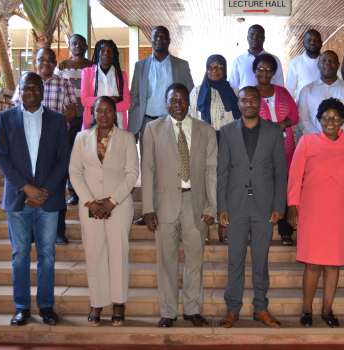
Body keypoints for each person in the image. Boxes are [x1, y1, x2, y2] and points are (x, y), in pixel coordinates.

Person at [0, 72, 71, 326]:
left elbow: (63, 159)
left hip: (48, 200)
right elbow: (0, 156)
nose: (31, 91)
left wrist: (42, 191)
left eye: (36, 87)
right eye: (26, 87)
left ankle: (46, 306)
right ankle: (22, 307)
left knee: (47, 253)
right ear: (20, 89)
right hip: (17, 199)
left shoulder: (58, 120)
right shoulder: (5, 118)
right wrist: (27, 188)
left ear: (42, 90)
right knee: (20, 255)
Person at [287, 98, 344, 328]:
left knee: (333, 263)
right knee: (313, 264)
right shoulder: (306, 142)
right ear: (319, 120)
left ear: (343, 120)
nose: (330, 122)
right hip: (312, 209)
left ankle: (327, 310)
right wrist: (292, 205)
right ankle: (307, 310)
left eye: (335, 118)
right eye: (325, 118)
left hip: (339, 211)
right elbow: (295, 176)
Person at [141, 83, 217, 328]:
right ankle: (168, 311)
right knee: (167, 261)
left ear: (189, 102)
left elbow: (211, 171)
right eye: (173, 101)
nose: (178, 105)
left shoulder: (205, 130)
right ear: (166, 103)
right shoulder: (152, 129)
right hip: (164, 203)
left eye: (182, 100)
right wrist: (148, 208)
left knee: (195, 259)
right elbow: (148, 169)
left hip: (195, 202)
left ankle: (193, 309)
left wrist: (211, 206)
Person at [217, 86, 287, 328]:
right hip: (235, 205)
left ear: (260, 103)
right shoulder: (226, 132)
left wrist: (279, 205)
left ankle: (261, 308)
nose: (249, 103)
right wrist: (221, 206)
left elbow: (280, 171)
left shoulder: (274, 132)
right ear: (238, 104)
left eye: (253, 100)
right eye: (244, 100)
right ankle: (232, 309)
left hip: (264, 206)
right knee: (235, 260)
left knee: (261, 259)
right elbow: (222, 172)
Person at [69, 96, 139, 327]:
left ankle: (118, 302)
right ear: (93, 113)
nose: (103, 114)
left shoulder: (128, 138)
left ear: (115, 114)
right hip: (90, 206)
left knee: (118, 252)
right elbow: (75, 172)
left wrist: (112, 201)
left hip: (118, 205)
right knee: (94, 252)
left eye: (108, 110)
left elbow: (132, 173)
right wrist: (90, 202)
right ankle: (97, 302)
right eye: (99, 110)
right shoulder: (81, 138)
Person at [129, 26, 194, 226]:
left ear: (169, 40)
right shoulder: (141, 65)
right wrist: (134, 128)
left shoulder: (181, 65)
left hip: (173, 122)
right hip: (147, 122)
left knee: (171, 167)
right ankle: (147, 210)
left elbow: (190, 93)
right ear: (151, 40)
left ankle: (172, 211)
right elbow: (135, 96)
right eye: (156, 37)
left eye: (163, 37)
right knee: (147, 167)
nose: (159, 40)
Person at [12, 47, 77, 245]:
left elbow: (72, 110)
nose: (46, 63)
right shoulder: (25, 82)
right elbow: (16, 108)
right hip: (29, 142)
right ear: (35, 61)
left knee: (56, 184)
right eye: (42, 59)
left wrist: (52, 128)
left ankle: (58, 232)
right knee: (30, 185)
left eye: (50, 60)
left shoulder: (63, 83)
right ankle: (31, 232)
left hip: (54, 143)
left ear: (55, 63)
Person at [189, 54, 239, 244]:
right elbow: (191, 119)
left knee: (224, 185)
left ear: (225, 70)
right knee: (204, 184)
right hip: (203, 144)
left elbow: (238, 121)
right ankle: (206, 226)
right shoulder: (196, 92)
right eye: (211, 67)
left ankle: (224, 226)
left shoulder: (234, 92)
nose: (214, 70)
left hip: (228, 143)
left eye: (219, 67)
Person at [253, 54, 299, 246]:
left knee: (285, 184)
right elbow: (244, 117)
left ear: (274, 72)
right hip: (260, 148)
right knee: (263, 186)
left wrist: (283, 124)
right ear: (255, 71)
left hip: (286, 147)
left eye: (268, 70)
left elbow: (295, 115)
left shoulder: (283, 92)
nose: (265, 73)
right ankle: (262, 229)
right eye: (261, 69)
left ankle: (286, 231)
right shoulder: (250, 93)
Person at [55, 34, 92, 206]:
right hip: (69, 118)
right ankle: (73, 193)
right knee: (70, 155)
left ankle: (88, 190)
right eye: (74, 43)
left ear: (86, 46)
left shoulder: (92, 65)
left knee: (86, 156)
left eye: (81, 43)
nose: (77, 46)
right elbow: (55, 88)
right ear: (69, 47)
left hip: (88, 118)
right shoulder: (62, 65)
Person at [297, 50, 344, 140]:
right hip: (316, 146)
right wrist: (321, 140)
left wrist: (343, 140)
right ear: (318, 65)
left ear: (338, 65)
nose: (328, 63)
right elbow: (303, 120)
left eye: (332, 60)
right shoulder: (306, 91)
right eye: (324, 61)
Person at [81, 39, 131, 131]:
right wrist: (111, 100)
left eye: (110, 51)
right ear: (97, 52)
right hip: (93, 123)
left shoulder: (121, 75)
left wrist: (101, 108)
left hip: (117, 124)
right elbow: (85, 101)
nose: (106, 53)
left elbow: (127, 104)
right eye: (102, 50)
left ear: (115, 54)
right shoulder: (87, 72)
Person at [228, 25, 284, 90]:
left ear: (264, 38)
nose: (255, 37)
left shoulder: (274, 60)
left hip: (268, 99)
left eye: (259, 35)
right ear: (247, 38)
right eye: (252, 35)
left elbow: (279, 84)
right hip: (246, 99)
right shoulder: (238, 61)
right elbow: (233, 86)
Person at [286, 29, 323, 101]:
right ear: (303, 43)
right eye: (309, 41)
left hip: (326, 110)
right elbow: (289, 91)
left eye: (316, 40)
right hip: (302, 110)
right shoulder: (295, 62)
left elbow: (339, 85)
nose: (312, 43)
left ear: (321, 43)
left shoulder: (329, 62)